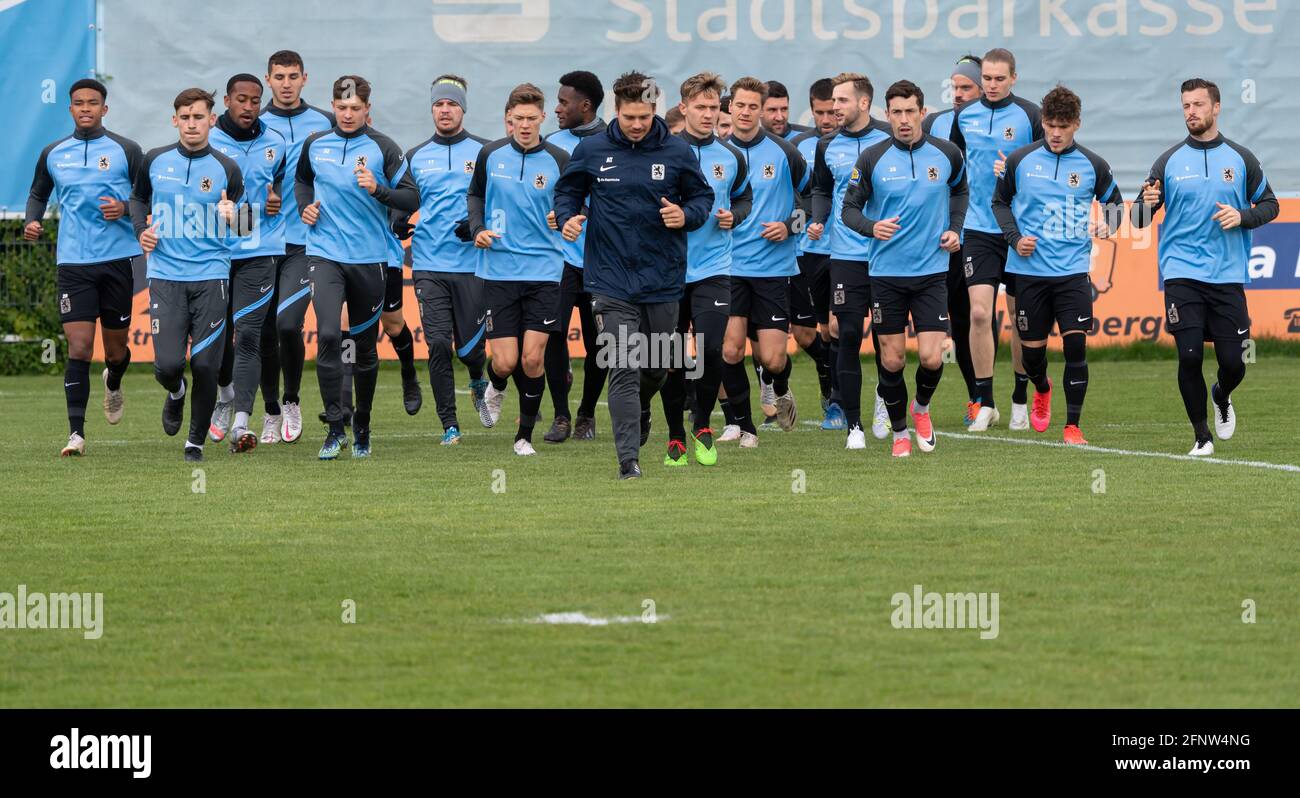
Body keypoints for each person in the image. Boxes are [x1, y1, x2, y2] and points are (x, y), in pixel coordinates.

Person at [553, 70, 714, 479]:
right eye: (629, 118)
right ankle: (628, 461)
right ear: (616, 111)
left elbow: (701, 198)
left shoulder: (678, 152)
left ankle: (643, 406)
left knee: (656, 368)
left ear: (655, 110)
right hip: (609, 281)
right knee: (622, 364)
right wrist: (570, 216)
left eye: (644, 116)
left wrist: (686, 215)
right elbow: (567, 191)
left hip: (662, 279)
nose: (638, 124)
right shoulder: (592, 150)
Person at [1131, 78, 1278, 456]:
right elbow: (1137, 219)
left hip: (1228, 276)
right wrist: (1146, 202)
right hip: (1181, 274)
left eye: (1198, 105)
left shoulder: (1241, 159)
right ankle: (1201, 436)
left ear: (1216, 108)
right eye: (1185, 106)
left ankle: (1222, 394)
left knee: (1234, 363)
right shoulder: (1168, 161)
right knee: (1190, 355)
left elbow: (1270, 206)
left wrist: (1242, 217)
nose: (1191, 112)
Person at [295, 75, 419, 459]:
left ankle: (362, 424)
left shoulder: (383, 147)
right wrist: (306, 207)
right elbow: (302, 181)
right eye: (342, 108)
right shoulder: (316, 144)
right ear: (332, 107)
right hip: (324, 254)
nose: (348, 115)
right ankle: (335, 429)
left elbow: (411, 195)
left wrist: (378, 190)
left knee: (365, 348)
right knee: (330, 336)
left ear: (368, 109)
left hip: (370, 259)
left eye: (355, 109)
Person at [992, 85, 1124, 446]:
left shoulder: (1093, 164)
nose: (1054, 132)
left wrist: (1107, 224)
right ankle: (1042, 387)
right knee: (1033, 357)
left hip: (1072, 275)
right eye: (1049, 124)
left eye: (1062, 125)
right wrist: (1015, 238)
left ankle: (1072, 426)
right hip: (1029, 273)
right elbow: (999, 204)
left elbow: (1117, 205)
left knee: (1075, 349)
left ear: (1076, 125)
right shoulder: (1020, 161)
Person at [842, 80, 968, 457]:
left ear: (923, 113)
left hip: (932, 273)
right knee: (892, 359)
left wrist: (954, 228)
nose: (903, 119)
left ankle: (921, 409)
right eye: (896, 112)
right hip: (886, 275)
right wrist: (871, 227)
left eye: (910, 111)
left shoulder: (947, 154)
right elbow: (848, 209)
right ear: (886, 115)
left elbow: (960, 191)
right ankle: (899, 433)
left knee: (932, 357)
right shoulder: (872, 159)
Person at [130, 87, 251, 461]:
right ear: (175, 121)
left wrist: (236, 217)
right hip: (165, 276)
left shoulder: (227, 168)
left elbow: (247, 225)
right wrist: (141, 231)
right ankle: (175, 392)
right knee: (167, 366)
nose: (192, 124)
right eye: (185, 117)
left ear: (211, 120)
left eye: (199, 117)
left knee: (205, 364)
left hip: (211, 275)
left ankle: (194, 442)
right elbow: (137, 200)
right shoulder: (155, 160)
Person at [24, 78, 142, 457]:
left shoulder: (126, 150)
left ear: (104, 109)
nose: (86, 108)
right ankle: (76, 435)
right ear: (71, 109)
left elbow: (147, 197)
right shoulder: (54, 153)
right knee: (78, 347)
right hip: (73, 263)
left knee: (115, 350)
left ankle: (114, 381)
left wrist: (125, 209)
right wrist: (33, 220)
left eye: (93, 102)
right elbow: (38, 192)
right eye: (79, 103)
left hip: (118, 260)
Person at [467, 83, 570, 456]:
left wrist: (567, 215)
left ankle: (523, 436)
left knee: (531, 359)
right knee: (507, 361)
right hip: (498, 270)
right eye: (518, 119)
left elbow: (578, 201)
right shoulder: (490, 154)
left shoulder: (559, 159)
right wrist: (477, 229)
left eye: (531, 118)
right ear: (508, 119)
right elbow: (475, 194)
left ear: (542, 117)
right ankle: (493, 385)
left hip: (544, 271)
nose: (525, 125)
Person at [949, 48, 1043, 432]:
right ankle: (984, 400)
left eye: (999, 79)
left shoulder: (1029, 115)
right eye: (986, 78)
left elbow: (1046, 167)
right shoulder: (964, 116)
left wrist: (1016, 173)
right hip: (978, 228)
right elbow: (956, 168)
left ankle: (1020, 396)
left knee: (1022, 320)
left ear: (1014, 78)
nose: (991, 85)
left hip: (1018, 231)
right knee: (979, 314)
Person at [392, 75, 490, 446]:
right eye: (438, 104)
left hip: (473, 265)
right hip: (430, 264)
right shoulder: (415, 156)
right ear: (432, 109)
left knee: (470, 350)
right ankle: (449, 424)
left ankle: (479, 379)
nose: (444, 110)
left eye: (451, 104)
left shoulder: (484, 152)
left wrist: (477, 224)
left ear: (463, 108)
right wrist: (398, 222)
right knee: (437, 344)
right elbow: (405, 200)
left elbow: (494, 200)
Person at [662, 71, 751, 465]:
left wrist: (737, 214)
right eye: (700, 107)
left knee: (712, 349)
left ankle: (702, 423)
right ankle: (676, 437)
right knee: (671, 355)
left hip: (715, 266)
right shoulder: (663, 153)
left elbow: (743, 197)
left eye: (715, 108)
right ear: (684, 108)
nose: (708, 114)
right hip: (668, 270)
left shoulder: (731, 156)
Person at [721, 76, 809, 444]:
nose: (745, 112)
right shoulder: (717, 154)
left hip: (772, 268)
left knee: (773, 359)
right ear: (730, 108)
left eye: (752, 106)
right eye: (739, 105)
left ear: (762, 110)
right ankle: (741, 425)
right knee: (729, 349)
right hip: (725, 266)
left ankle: (779, 387)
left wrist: (791, 225)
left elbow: (815, 199)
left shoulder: (784, 152)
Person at [808, 72, 890, 450]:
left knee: (889, 343)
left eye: (842, 100)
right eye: (832, 101)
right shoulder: (827, 146)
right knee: (847, 334)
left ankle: (884, 394)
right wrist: (818, 218)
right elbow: (822, 189)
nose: (834, 108)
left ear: (863, 103)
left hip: (888, 255)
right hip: (844, 254)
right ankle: (853, 424)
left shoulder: (890, 139)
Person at [206, 74, 287, 452]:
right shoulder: (207, 140)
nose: (249, 107)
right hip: (216, 253)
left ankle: (242, 422)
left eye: (255, 100)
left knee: (250, 334)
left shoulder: (276, 142)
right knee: (217, 340)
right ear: (226, 101)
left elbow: (282, 191)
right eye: (241, 99)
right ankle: (224, 396)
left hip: (260, 251)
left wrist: (275, 203)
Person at [259, 49, 336, 443]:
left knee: (287, 324)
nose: (286, 83)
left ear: (305, 78)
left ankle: (290, 400)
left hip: (305, 244)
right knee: (259, 331)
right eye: (279, 76)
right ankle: (270, 410)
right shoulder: (255, 124)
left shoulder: (324, 122)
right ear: (268, 79)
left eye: (293, 76)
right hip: (259, 244)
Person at [543, 70, 609, 443]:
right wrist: (553, 214)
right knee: (552, 332)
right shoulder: (552, 143)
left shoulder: (611, 143)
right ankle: (561, 415)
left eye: (563, 102)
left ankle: (587, 413)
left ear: (585, 106)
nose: (557, 108)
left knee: (598, 342)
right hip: (559, 259)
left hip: (601, 260)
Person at [922, 55, 986, 425]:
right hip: (943, 237)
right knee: (954, 320)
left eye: (967, 88)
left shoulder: (1000, 123)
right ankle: (967, 397)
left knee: (975, 316)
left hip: (983, 235)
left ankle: (991, 395)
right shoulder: (935, 122)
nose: (959, 94)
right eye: (956, 87)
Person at [791, 78, 840, 427]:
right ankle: (827, 377)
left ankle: (838, 401)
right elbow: (790, 198)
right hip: (805, 250)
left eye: (832, 111)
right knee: (807, 333)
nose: (826, 119)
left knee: (836, 326)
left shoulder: (863, 146)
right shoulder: (798, 147)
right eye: (820, 112)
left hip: (845, 252)